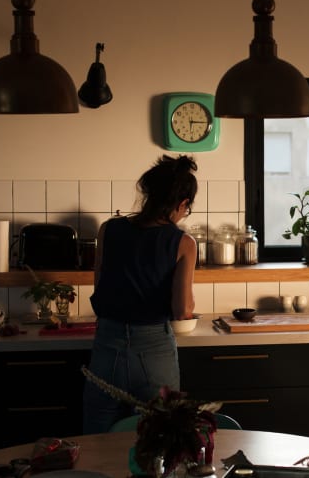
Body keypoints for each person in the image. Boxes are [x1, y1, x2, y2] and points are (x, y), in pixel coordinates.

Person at [82, 154, 198, 434]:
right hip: (154, 351)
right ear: (182, 204)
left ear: (148, 195)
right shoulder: (183, 243)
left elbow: (101, 288)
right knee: (161, 440)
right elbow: (182, 310)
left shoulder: (108, 230)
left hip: (108, 347)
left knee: (97, 440)